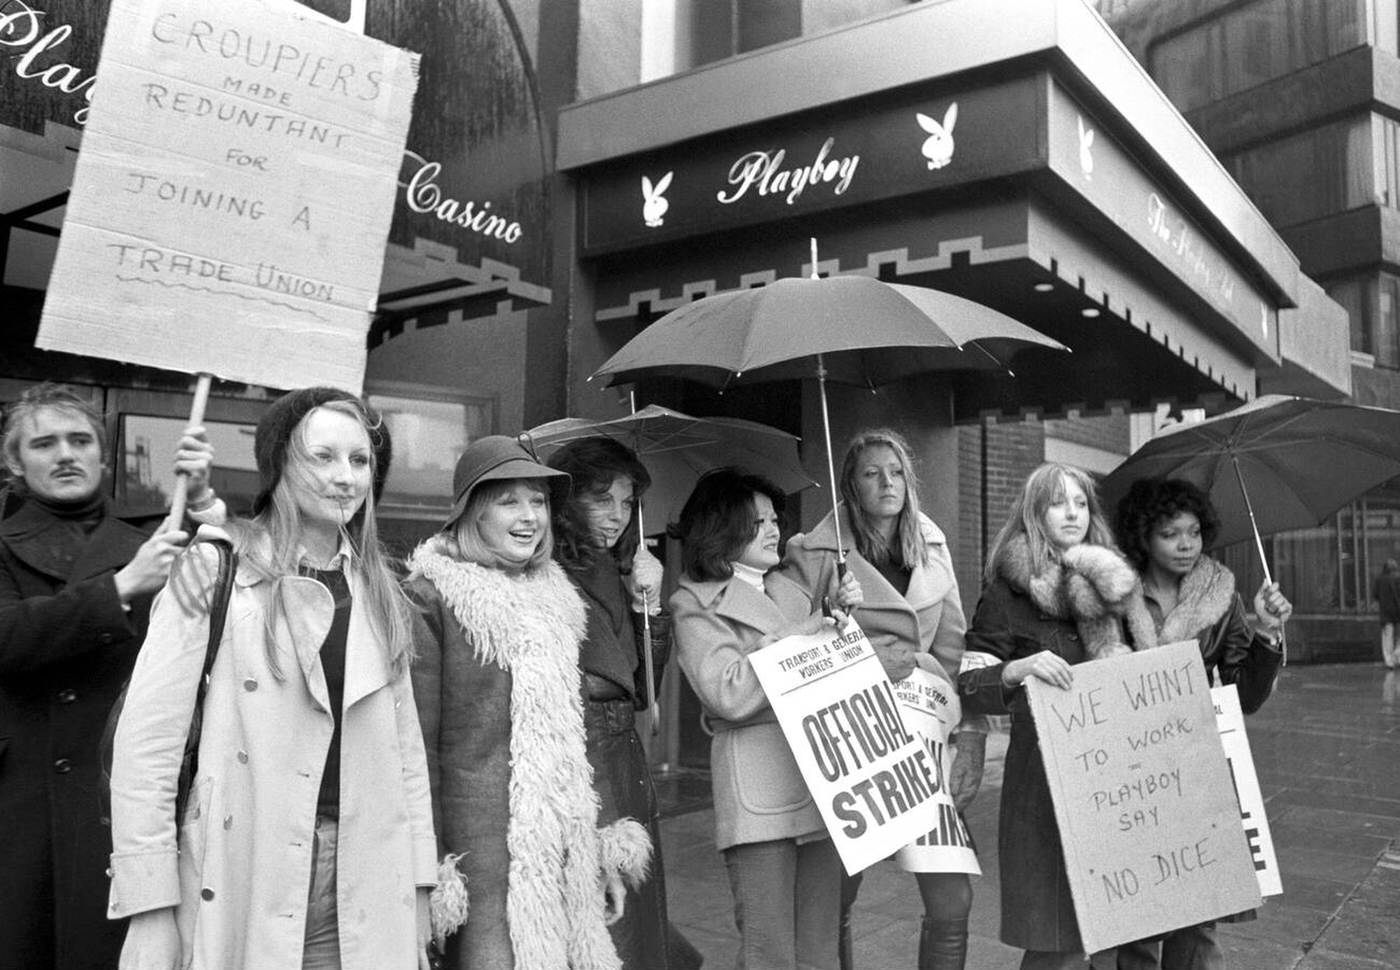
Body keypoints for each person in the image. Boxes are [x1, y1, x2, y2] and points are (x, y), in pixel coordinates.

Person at [108, 387, 438, 970]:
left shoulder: (383, 589)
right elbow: (148, 747)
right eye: (323, 457)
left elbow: (405, 756)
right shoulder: (210, 570)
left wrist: (418, 887)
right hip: (244, 863)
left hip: (365, 876)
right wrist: (150, 905)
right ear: (280, 463)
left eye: (360, 460)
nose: (346, 478)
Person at [0, 382, 223, 970]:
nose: (66, 454)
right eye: (44, 443)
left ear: (104, 454)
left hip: (123, 796)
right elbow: (7, 637)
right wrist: (121, 588)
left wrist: (201, 504)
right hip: (22, 799)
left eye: (80, 440)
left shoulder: (158, 533)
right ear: (15, 463)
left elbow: (229, 599)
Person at [407, 435, 651, 970]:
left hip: (565, 848)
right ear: (472, 510)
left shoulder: (557, 597)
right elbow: (414, 752)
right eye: (508, 501)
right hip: (482, 857)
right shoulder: (433, 598)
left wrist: (602, 852)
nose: (528, 517)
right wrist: (429, 875)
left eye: (538, 501)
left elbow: (576, 740)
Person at [782, 429, 986, 970]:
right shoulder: (815, 551)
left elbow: (953, 646)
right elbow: (797, 646)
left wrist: (967, 733)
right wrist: (835, 611)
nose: (887, 483)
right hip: (856, 737)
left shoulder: (932, 545)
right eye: (872, 473)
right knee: (839, 895)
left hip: (922, 737)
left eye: (895, 472)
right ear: (851, 483)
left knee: (952, 897)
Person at [957, 463, 1157, 970]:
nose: (1072, 512)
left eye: (1081, 502)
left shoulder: (1118, 588)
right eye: (1057, 501)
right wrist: (1016, 669)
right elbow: (970, 685)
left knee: (1112, 929)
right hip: (1044, 788)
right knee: (1059, 940)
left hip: (1117, 780)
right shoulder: (1008, 594)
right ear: (1033, 513)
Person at [670, 468, 861, 970]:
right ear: (723, 530)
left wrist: (841, 621)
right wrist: (800, 639)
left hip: (821, 778)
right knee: (769, 950)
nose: (774, 530)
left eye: (774, 518)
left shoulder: (792, 591)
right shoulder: (693, 601)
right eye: (758, 522)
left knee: (819, 948)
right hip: (758, 787)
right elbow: (727, 693)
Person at [1108, 476, 1292, 970]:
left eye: (1193, 531)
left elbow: (1244, 695)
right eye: (1170, 533)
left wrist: (1267, 636)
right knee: (1140, 911)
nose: (1186, 544)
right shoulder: (1113, 591)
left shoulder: (1220, 592)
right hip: (1132, 773)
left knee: (1199, 909)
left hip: (1196, 762)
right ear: (1143, 536)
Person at [547, 437, 676, 970]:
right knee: (602, 924)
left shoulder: (621, 573)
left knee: (638, 921)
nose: (618, 516)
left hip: (625, 761)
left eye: (627, 503)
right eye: (603, 500)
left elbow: (644, 690)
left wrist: (651, 606)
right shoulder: (547, 569)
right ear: (568, 498)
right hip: (584, 764)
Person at [1374, 559, 1400, 669]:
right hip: (1398, 611)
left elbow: (1375, 595)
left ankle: (1389, 660)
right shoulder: (1398, 578)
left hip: (1385, 613)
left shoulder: (1379, 580)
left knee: (1387, 637)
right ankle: (1397, 655)